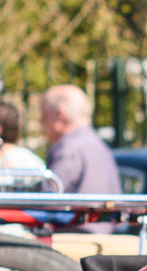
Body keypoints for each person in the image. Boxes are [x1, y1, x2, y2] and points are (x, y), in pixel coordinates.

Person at [39, 85, 120, 233]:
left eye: (43, 115)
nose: (40, 122)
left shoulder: (69, 149)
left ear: (59, 115)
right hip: (103, 239)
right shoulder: (98, 145)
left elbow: (46, 201)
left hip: (74, 241)